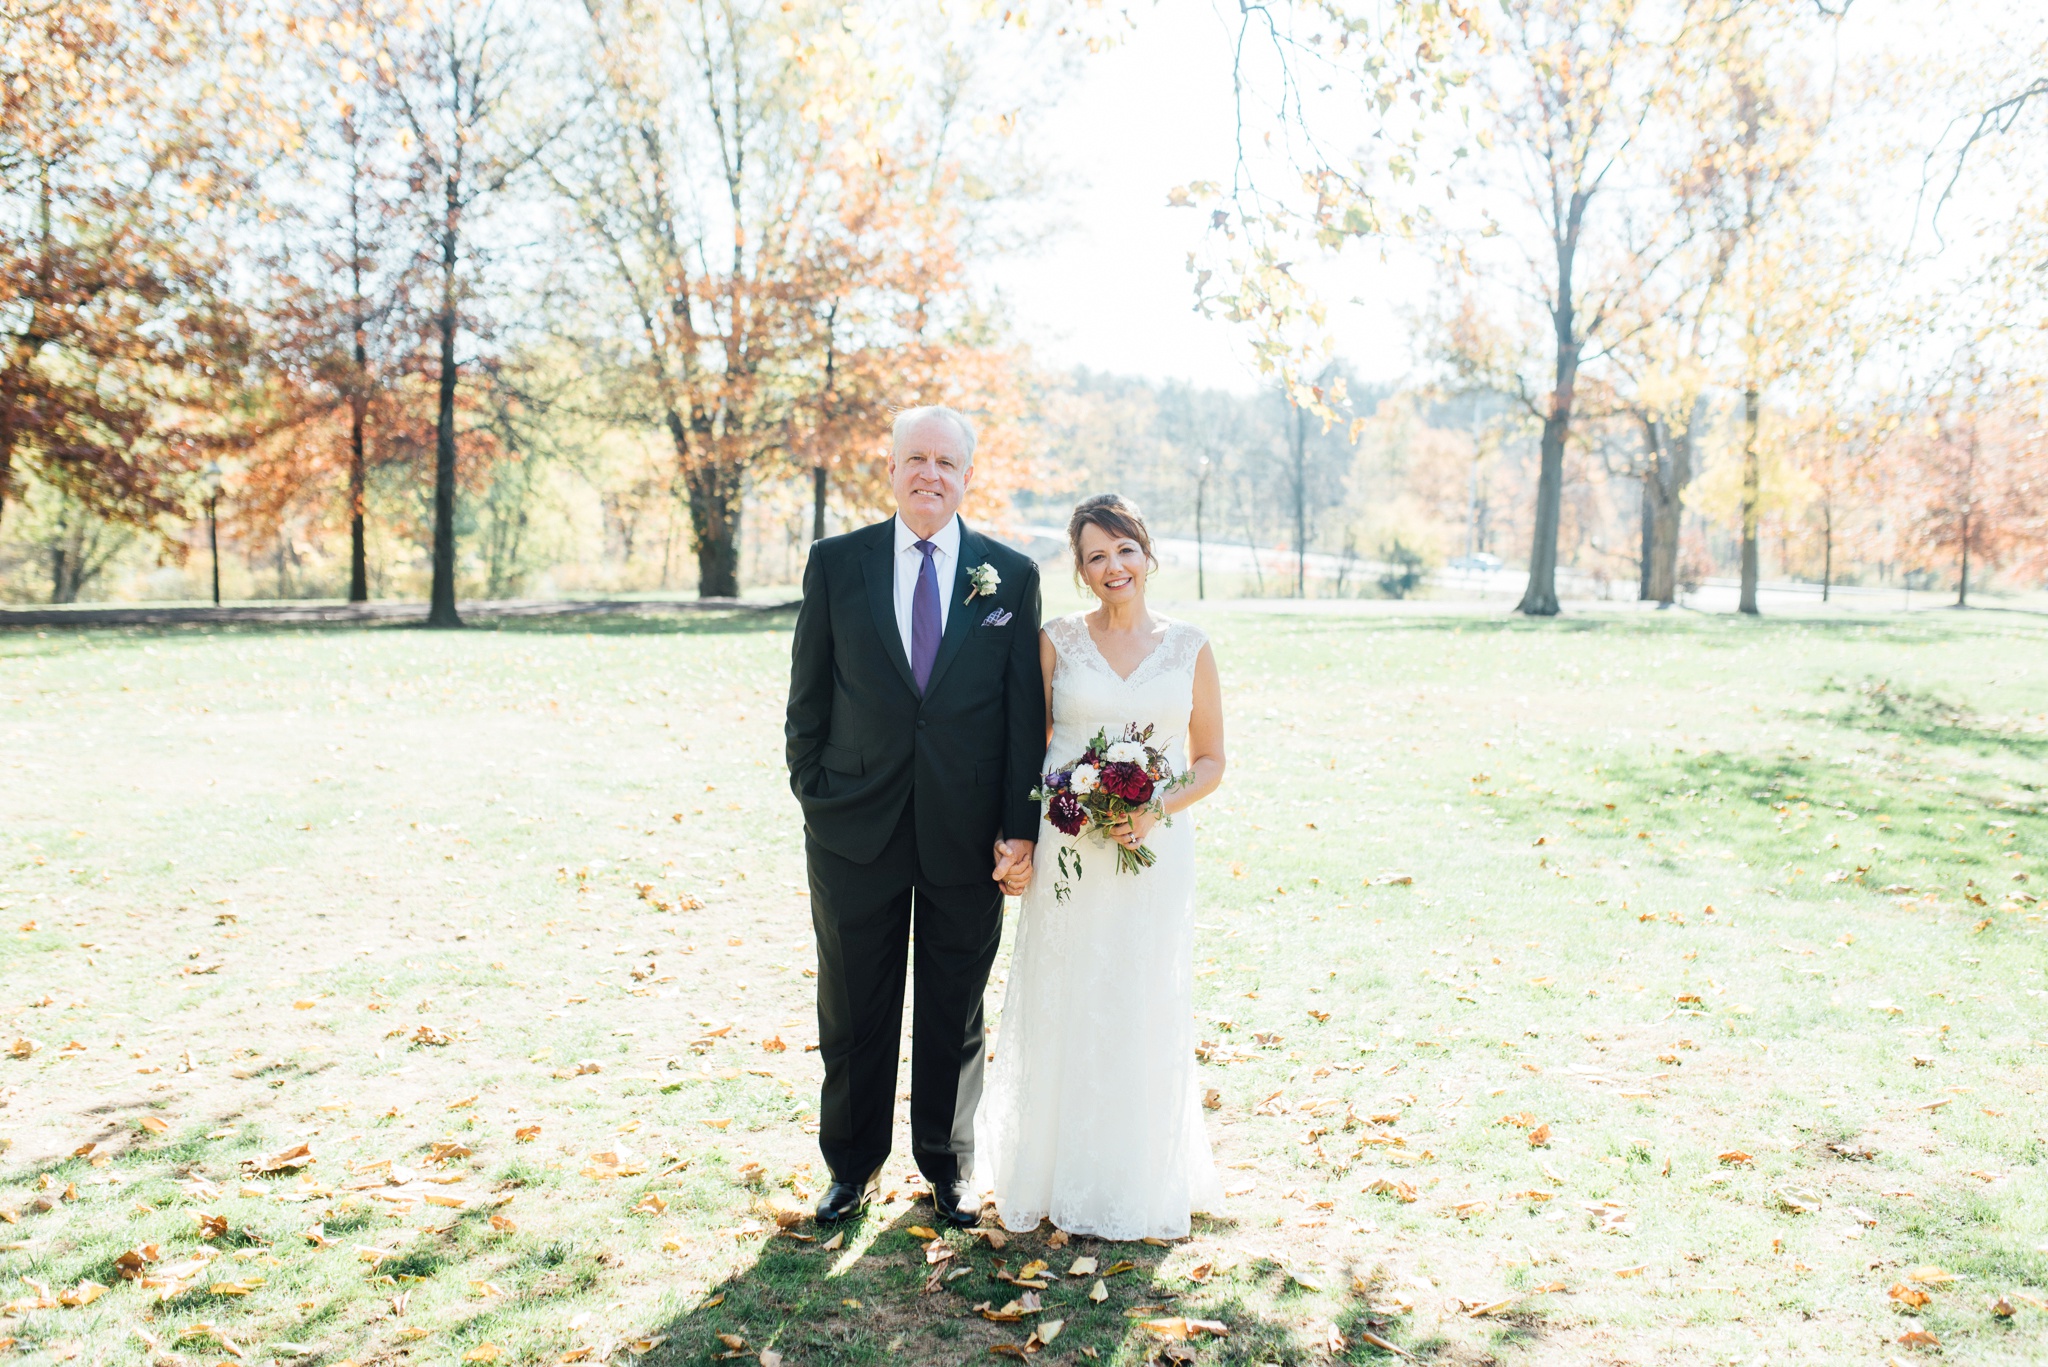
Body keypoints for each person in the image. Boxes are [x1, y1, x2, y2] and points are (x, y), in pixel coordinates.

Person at [784, 405, 1044, 1228]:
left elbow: (1020, 718)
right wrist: (816, 792)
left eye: (946, 461)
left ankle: (949, 1166)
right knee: (854, 1006)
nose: (929, 473)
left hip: (967, 835)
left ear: (968, 476)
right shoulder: (838, 563)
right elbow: (807, 698)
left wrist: (1020, 825)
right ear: (891, 469)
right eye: (915, 459)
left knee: (953, 1006)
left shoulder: (1011, 574)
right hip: (852, 826)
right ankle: (851, 1166)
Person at [975, 493, 1228, 1240]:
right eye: (1095, 555)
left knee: (1139, 993)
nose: (1113, 566)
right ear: (1081, 572)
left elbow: (1212, 759)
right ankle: (1051, 1170)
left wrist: (1157, 806)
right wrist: (1025, 825)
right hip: (1069, 848)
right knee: (1067, 990)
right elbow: (1029, 741)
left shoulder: (1190, 647)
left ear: (1146, 553)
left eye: (1123, 549)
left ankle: (1135, 1175)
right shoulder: (1057, 640)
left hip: (1152, 851)